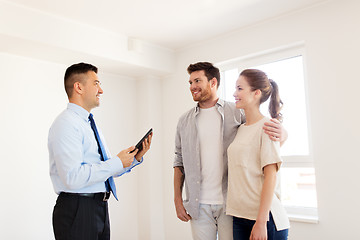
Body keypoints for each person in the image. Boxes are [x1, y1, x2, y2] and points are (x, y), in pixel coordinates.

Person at [173, 62, 287, 240]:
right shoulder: (184, 121)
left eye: (197, 80)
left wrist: (284, 133)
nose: (192, 86)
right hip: (201, 205)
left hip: (230, 206)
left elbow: (262, 134)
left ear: (213, 83)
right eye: (190, 82)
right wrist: (178, 200)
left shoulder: (237, 111)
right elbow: (178, 160)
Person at [48, 62, 152, 240]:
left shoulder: (87, 123)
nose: (101, 90)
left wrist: (131, 160)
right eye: (96, 83)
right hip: (78, 210)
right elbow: (72, 177)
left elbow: (102, 170)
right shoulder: (66, 124)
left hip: (98, 208)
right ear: (79, 87)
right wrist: (116, 162)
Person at [226, 69, 290, 240]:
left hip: (266, 219)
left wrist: (261, 222)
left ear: (256, 93)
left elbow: (271, 176)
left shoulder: (268, 126)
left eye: (240, 89)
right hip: (239, 216)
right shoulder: (240, 129)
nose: (234, 93)